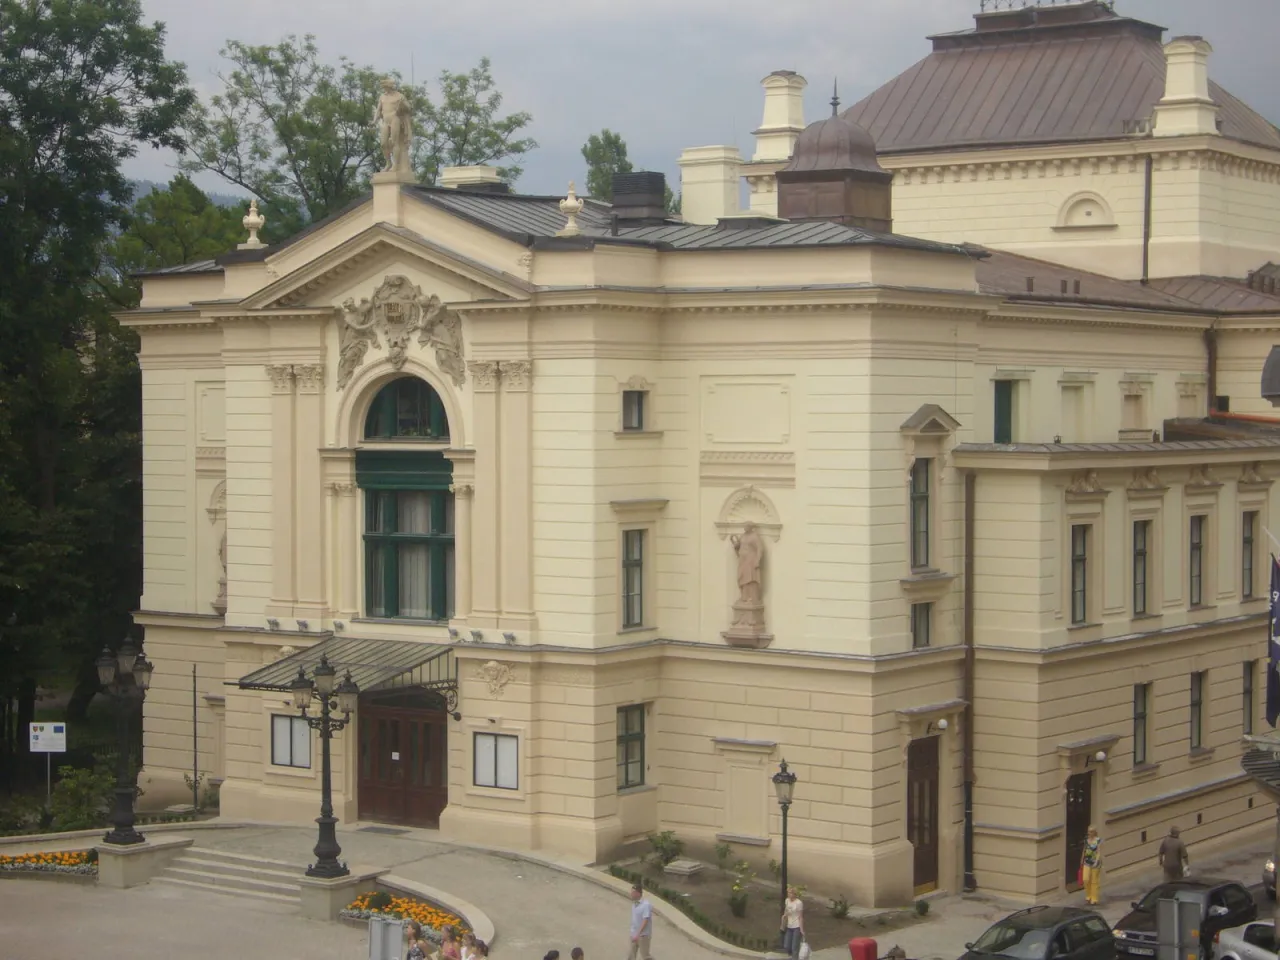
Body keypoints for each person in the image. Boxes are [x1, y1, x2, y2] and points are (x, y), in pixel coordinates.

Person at [629, 882, 653, 960]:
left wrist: (638, 934)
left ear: (638, 894)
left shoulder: (646, 905)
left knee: (646, 956)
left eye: (633, 892)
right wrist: (633, 933)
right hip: (634, 934)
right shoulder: (634, 903)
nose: (631, 894)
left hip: (643, 936)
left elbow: (645, 920)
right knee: (631, 955)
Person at [781, 885, 806, 959]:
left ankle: (794, 958)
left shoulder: (799, 903)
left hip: (796, 927)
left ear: (794, 894)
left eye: (790, 893)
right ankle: (791, 956)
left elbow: (800, 917)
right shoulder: (787, 900)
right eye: (788, 893)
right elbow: (786, 910)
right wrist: (784, 917)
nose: (789, 894)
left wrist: (801, 930)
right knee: (787, 946)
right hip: (789, 926)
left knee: (794, 947)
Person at [1080, 825, 1102, 905]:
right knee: (1085, 879)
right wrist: (1081, 859)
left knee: (1094, 881)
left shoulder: (1098, 840)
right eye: (1089, 831)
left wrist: (1096, 861)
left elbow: (1099, 852)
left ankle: (1094, 898)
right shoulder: (1086, 840)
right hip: (1087, 861)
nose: (1090, 833)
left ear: (1095, 832)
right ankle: (1088, 895)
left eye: (1092, 831)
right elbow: (1084, 850)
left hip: (1095, 862)